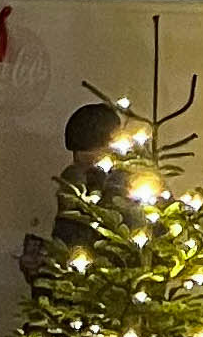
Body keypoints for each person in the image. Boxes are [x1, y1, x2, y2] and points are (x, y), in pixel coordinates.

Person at [21, 102, 128, 283]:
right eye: (77, 157)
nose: (83, 165)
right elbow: (65, 238)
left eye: (92, 158)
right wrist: (39, 263)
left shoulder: (132, 188)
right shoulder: (71, 181)